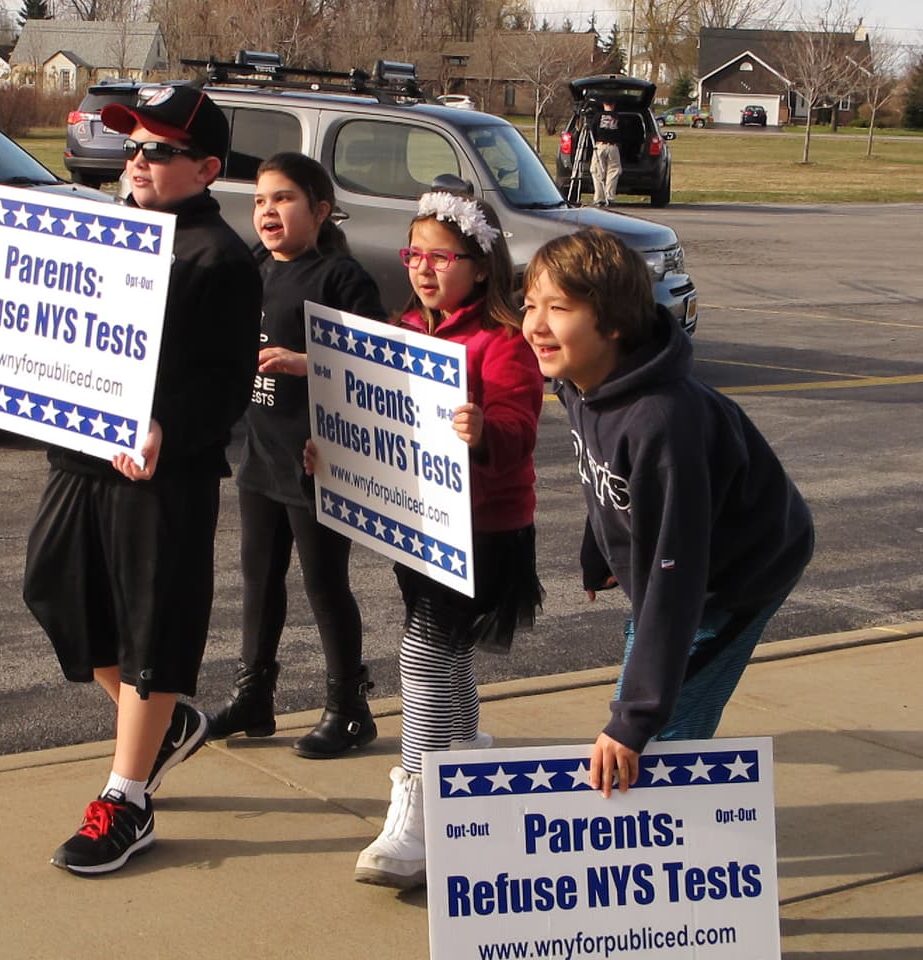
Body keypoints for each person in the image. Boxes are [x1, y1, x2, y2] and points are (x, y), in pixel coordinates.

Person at [0, 84, 261, 875]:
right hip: (79, 459)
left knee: (152, 627)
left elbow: (226, 384)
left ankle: (127, 798)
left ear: (206, 167)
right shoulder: (100, 231)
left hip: (159, 476)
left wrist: (165, 429)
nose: (137, 161)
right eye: (132, 145)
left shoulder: (218, 257)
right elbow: (36, 326)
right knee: (54, 592)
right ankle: (160, 725)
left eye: (158, 150)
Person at [521, 227, 814, 798]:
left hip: (738, 571)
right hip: (680, 560)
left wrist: (632, 720)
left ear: (613, 324)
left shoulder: (662, 422)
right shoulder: (579, 383)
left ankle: (683, 842)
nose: (535, 323)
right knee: (649, 688)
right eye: (531, 304)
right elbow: (603, 473)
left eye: (559, 308)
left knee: (665, 727)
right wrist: (597, 553)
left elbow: (676, 576)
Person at [342, 189, 545, 888]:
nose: (423, 268)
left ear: (482, 267)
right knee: (449, 658)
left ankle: (421, 814)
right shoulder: (405, 327)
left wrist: (486, 429)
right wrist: (340, 453)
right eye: (414, 254)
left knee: (424, 656)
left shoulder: (503, 341)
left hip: (483, 530)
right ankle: (464, 773)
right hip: (419, 524)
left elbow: (520, 429)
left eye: (440, 257)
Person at [203, 153, 387, 759]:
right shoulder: (254, 266)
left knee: (324, 583)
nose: (267, 211)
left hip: (319, 458)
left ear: (320, 210)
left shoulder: (339, 278)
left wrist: (304, 362)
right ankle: (254, 694)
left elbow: (377, 365)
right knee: (258, 578)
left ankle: (349, 708)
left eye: (283, 199)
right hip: (262, 453)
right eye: (260, 201)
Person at [589, 100, 622, 206]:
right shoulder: (618, 117)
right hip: (613, 147)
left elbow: (591, 130)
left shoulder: (598, 116)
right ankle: (610, 196)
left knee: (597, 171)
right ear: (614, 105)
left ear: (604, 104)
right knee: (613, 171)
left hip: (600, 146)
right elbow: (623, 133)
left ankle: (599, 198)